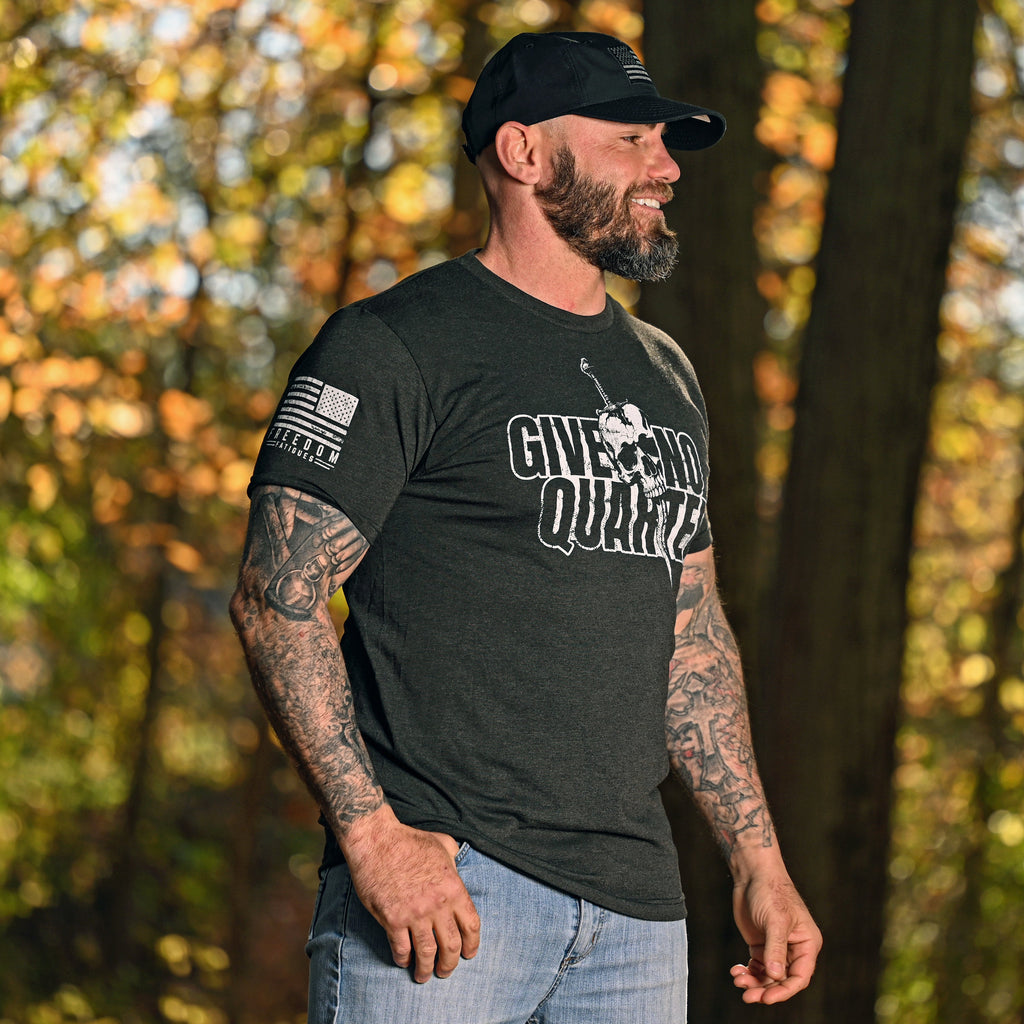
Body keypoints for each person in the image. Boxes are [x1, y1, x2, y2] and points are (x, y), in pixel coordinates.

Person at [230, 30, 821, 1024]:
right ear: (523, 153)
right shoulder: (394, 347)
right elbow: (272, 595)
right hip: (446, 905)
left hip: (636, 917)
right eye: (630, 140)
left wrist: (758, 859)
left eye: (665, 144)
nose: (665, 167)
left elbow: (694, 636)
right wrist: (373, 838)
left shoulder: (666, 374)